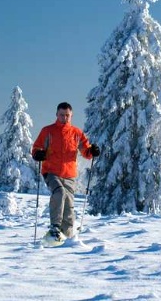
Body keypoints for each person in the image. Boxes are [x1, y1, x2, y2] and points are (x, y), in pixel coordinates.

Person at [31, 102, 100, 242]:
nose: (64, 118)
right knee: (59, 192)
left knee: (69, 207)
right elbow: (36, 148)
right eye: (62, 115)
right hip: (51, 171)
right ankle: (55, 228)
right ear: (57, 115)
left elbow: (86, 151)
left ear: (71, 116)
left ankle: (66, 237)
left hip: (69, 174)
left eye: (67, 115)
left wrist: (92, 151)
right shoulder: (47, 131)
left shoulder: (77, 133)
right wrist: (38, 154)